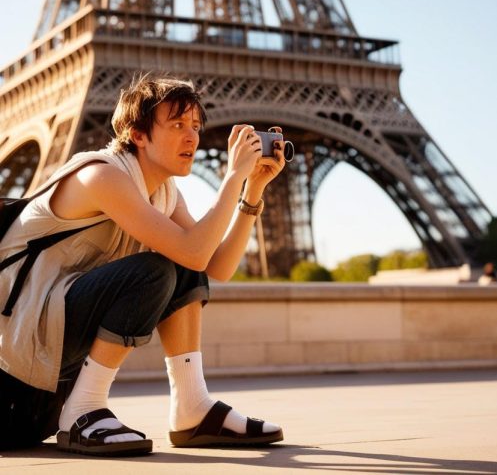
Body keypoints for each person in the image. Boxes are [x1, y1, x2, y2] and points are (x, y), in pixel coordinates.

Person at [0, 73, 286, 455]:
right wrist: (232, 176)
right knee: (156, 268)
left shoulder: (165, 193)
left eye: (196, 127)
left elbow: (212, 266)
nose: (192, 137)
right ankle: (84, 410)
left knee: (181, 263)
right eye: (178, 125)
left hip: (44, 376)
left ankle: (192, 408)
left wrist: (252, 191)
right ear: (138, 134)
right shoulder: (100, 176)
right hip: (12, 372)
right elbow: (196, 251)